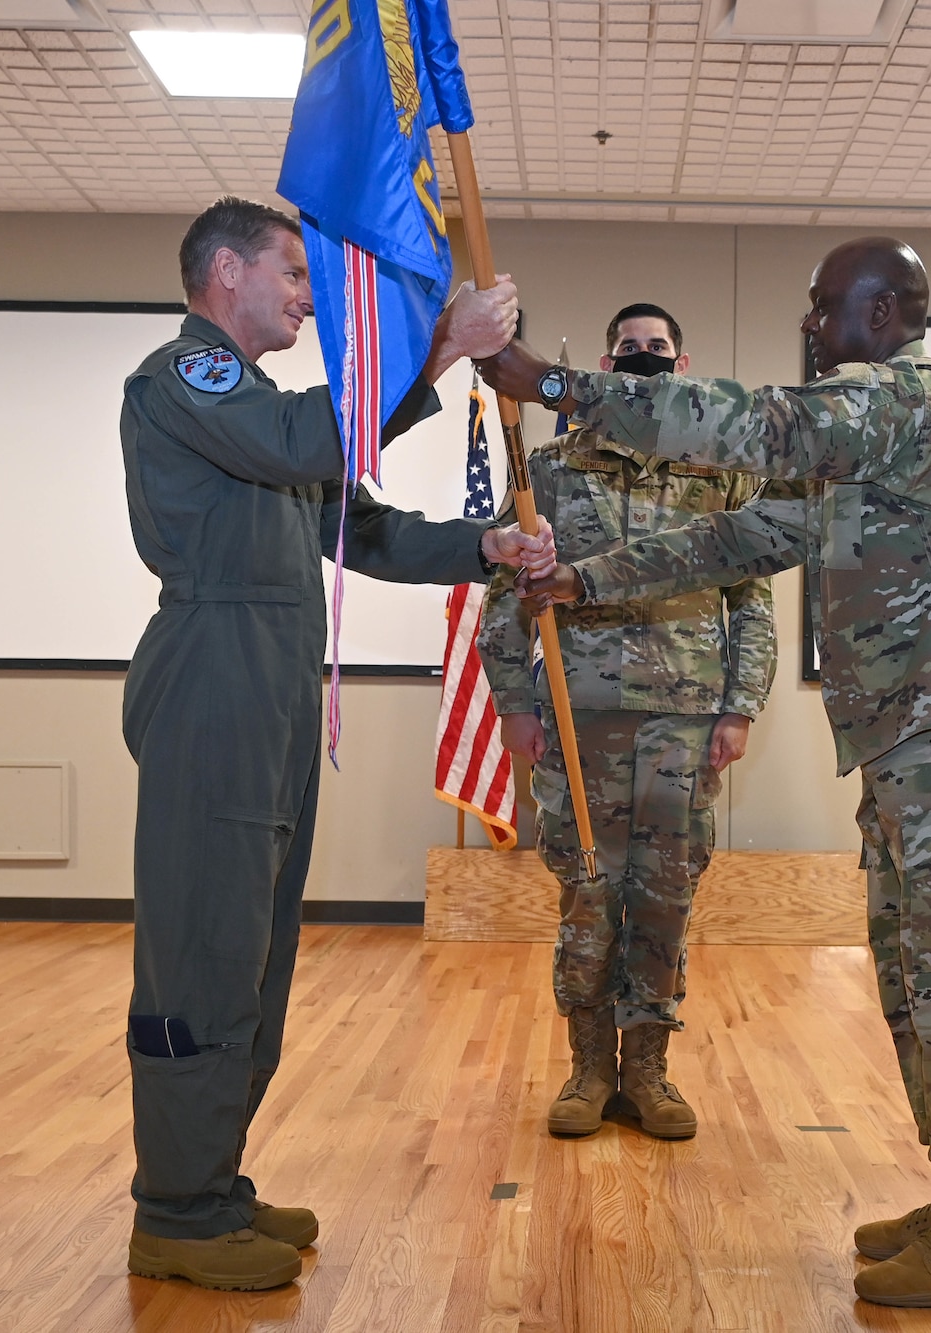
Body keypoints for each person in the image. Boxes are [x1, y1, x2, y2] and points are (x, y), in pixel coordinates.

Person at [482, 237, 931, 1309]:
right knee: (915, 963)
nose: (809, 323)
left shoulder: (918, 398)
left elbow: (760, 427)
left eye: (824, 306)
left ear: (883, 312)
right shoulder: (857, 447)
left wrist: (553, 384)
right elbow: (731, 540)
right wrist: (581, 574)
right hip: (912, 736)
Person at [118, 196, 534, 1291]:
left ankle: (212, 1179)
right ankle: (177, 1210)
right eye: (291, 275)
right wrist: (439, 347)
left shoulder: (260, 409)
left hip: (271, 686)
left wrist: (484, 546)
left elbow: (366, 526)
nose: (308, 296)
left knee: (253, 950)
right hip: (215, 677)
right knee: (206, 946)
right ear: (223, 277)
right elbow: (314, 437)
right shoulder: (185, 379)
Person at [479, 302, 776, 1140]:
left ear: (681, 366)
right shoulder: (551, 468)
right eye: (627, 349)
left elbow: (752, 600)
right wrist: (512, 705)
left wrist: (740, 706)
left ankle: (648, 1070)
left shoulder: (718, 474)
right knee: (587, 894)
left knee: (664, 899)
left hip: (685, 725)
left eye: (656, 349)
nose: (642, 358)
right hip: (581, 721)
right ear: (604, 367)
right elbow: (507, 594)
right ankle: (586, 1068)